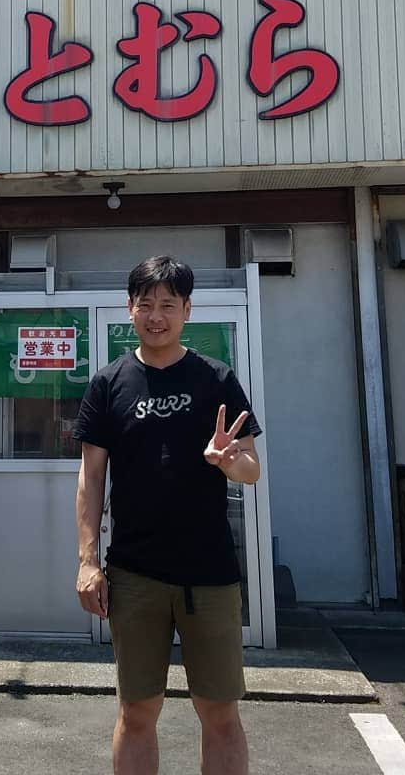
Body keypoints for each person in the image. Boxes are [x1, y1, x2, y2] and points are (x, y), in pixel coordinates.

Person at [74, 256, 262, 775]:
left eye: (168, 305)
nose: (156, 315)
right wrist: (88, 561)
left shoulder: (217, 380)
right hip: (134, 573)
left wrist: (232, 462)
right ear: (129, 308)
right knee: (137, 710)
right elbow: (90, 480)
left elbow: (252, 469)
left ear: (187, 311)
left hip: (210, 573)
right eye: (146, 304)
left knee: (219, 711)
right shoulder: (108, 384)